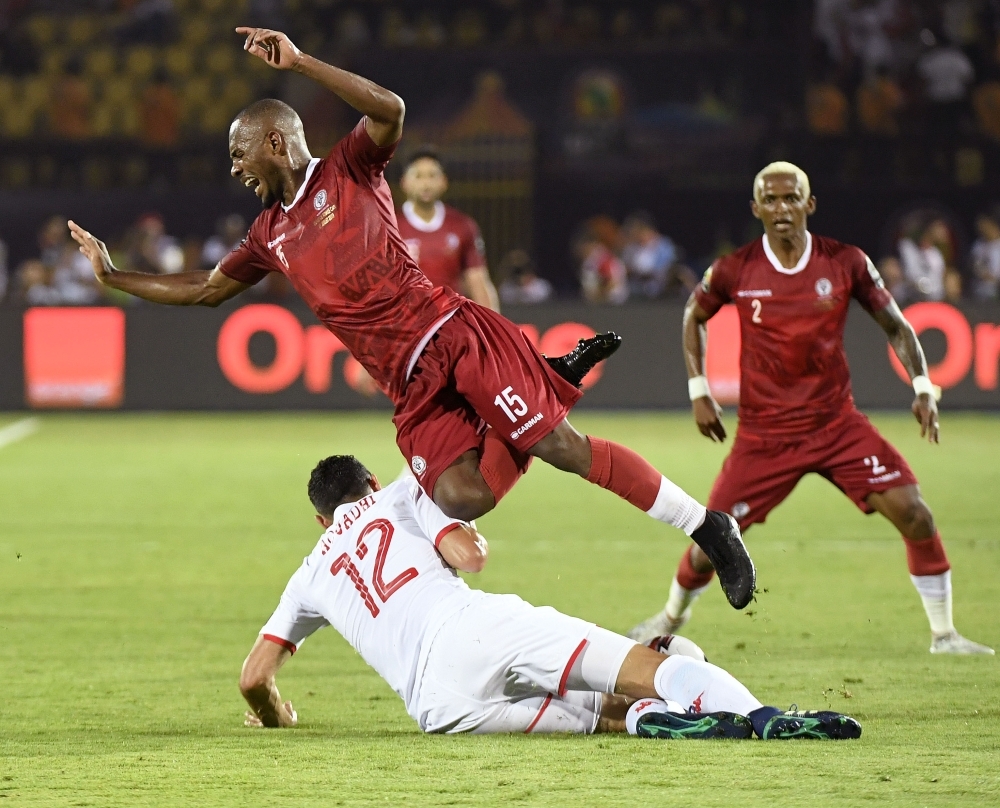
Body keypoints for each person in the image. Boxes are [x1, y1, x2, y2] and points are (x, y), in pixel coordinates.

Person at [68, 26, 756, 613]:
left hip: (451, 335)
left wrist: (302, 63)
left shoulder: (349, 168)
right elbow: (204, 290)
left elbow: (390, 109)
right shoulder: (267, 234)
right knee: (462, 496)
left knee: (564, 450)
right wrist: (113, 275)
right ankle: (543, 382)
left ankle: (706, 526)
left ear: (275, 142)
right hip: (408, 382)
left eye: (239, 155)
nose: (235, 170)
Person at [629, 162, 993, 656]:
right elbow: (694, 313)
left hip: (836, 425)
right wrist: (699, 389)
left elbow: (898, 326)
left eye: (791, 198)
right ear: (756, 208)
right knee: (709, 544)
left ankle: (945, 636)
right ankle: (670, 617)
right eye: (771, 200)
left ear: (809, 204)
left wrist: (924, 385)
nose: (781, 209)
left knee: (916, 515)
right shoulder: (736, 268)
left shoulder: (845, 262)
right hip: (764, 436)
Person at [239, 454, 862, 741]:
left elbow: (254, 678)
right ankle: (762, 717)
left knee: (611, 716)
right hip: (473, 627)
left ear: (323, 521)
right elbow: (470, 558)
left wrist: (276, 715)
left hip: (438, 708)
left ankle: (657, 720)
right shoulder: (401, 493)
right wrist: (459, 530)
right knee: (660, 664)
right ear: (370, 483)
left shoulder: (309, 572)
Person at [396, 147, 499, 311]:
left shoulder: (462, 226)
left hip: (450, 323)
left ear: (443, 182)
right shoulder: (390, 227)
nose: (426, 183)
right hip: (406, 325)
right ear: (404, 183)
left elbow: (478, 281)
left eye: (432, 176)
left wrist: (493, 327)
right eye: (418, 176)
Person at [620, 211, 696, 299]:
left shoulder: (664, 245)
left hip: (662, 281)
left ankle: (697, 298)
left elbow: (669, 265)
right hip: (638, 285)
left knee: (682, 272)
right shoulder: (631, 248)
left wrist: (652, 273)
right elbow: (625, 268)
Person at [970, 211, 1000, 301]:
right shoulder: (978, 245)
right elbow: (974, 266)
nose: (981, 229)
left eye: (985, 225)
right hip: (978, 293)